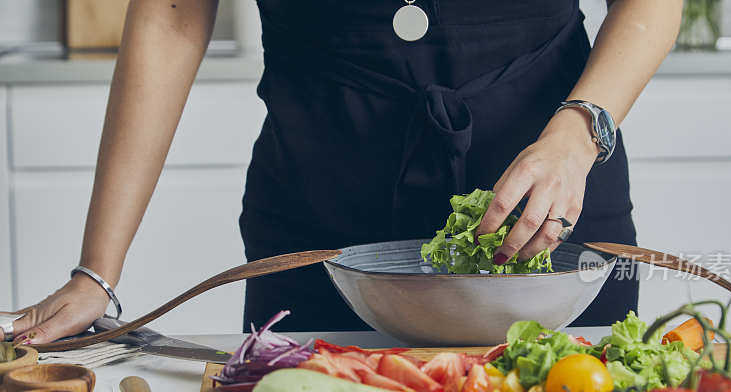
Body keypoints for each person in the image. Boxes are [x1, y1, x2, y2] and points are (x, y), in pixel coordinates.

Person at [2, 0, 683, 344]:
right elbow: (173, 14)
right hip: (319, 203)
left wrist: (577, 134)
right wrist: (97, 270)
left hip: (551, 196)